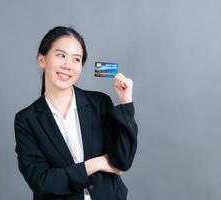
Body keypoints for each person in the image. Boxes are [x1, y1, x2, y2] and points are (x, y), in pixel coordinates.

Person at [14, 26, 138, 200]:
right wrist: (96, 163)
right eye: (61, 55)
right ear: (42, 59)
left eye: (76, 59)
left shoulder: (100, 103)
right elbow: (41, 181)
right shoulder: (26, 119)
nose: (68, 66)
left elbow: (122, 162)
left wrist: (126, 103)